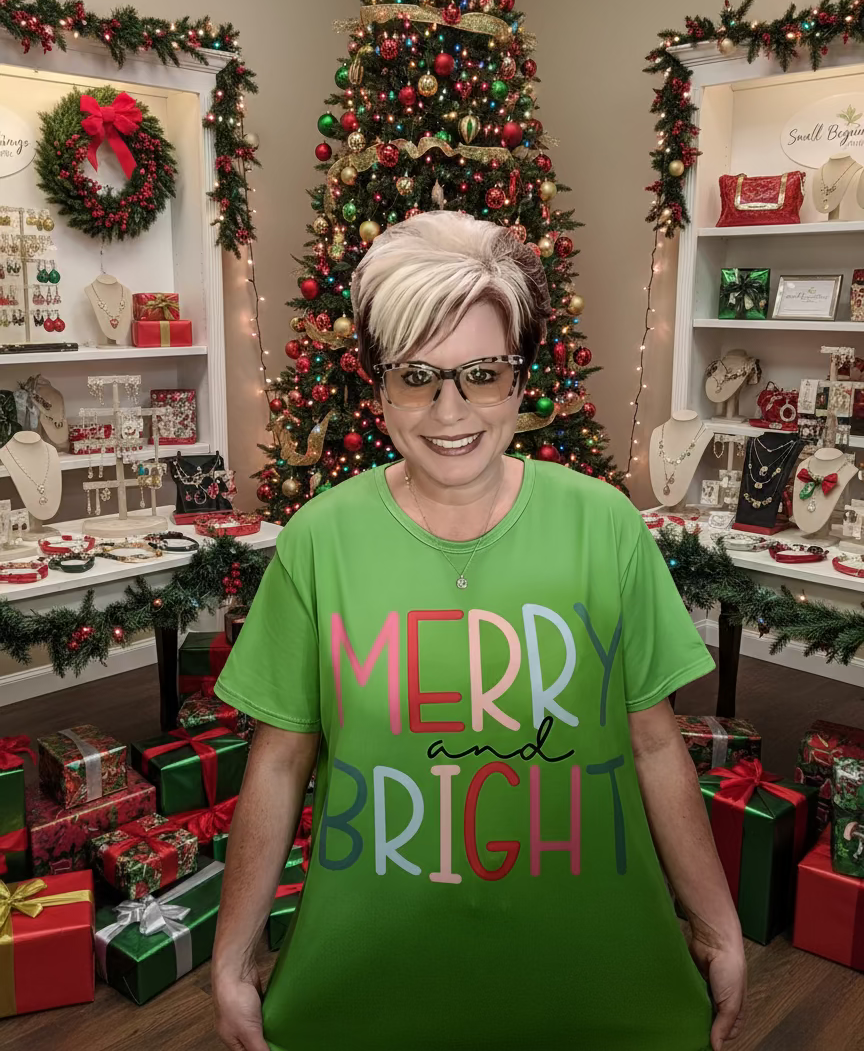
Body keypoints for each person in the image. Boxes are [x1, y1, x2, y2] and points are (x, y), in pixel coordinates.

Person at [211, 210, 746, 1051]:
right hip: (370, 974)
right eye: (417, 375)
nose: (448, 410)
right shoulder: (320, 539)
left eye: (482, 374)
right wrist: (232, 957)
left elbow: (653, 745)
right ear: (380, 387)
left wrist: (717, 929)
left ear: (520, 381)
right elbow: (279, 762)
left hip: (597, 970)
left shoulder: (603, 526)